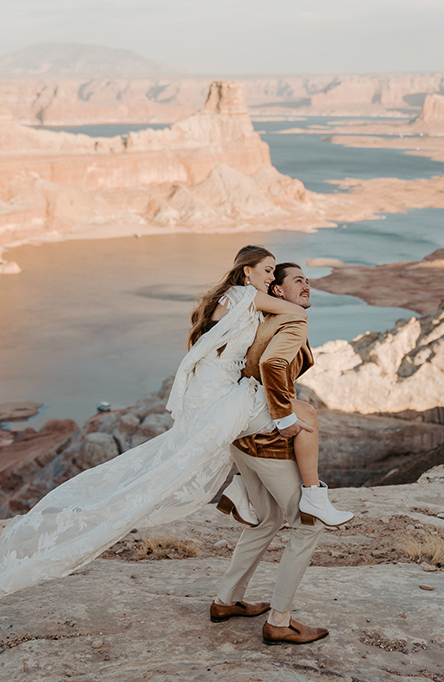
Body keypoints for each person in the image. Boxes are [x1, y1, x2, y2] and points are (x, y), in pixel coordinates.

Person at [0, 246, 348, 598]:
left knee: (213, 440)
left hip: (212, 390)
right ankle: (310, 497)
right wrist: (288, 307)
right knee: (301, 416)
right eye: (269, 271)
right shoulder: (247, 296)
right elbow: (287, 328)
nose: (272, 278)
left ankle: (241, 490)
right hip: (223, 392)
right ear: (247, 272)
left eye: (275, 273)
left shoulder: (230, 298)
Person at [211, 262, 344, 645]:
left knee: (266, 519)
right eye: (298, 280)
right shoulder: (292, 322)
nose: (308, 285)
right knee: (309, 523)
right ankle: (280, 621)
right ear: (279, 292)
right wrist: (287, 417)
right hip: (267, 439)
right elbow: (272, 364)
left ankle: (226, 601)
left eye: (307, 280)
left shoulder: (257, 318)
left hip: (242, 436)